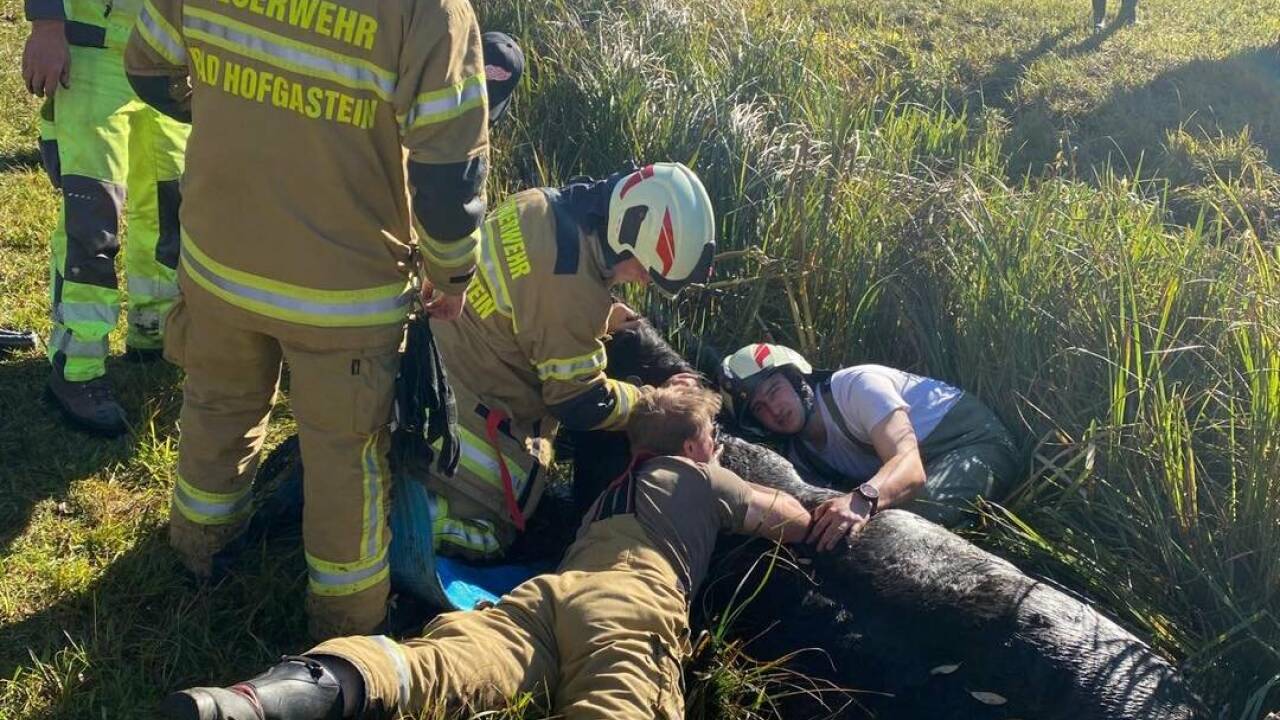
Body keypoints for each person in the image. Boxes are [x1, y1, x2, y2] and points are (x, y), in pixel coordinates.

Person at [124, 0, 491, 638]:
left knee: (217, 405)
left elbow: (148, 66)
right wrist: (452, 273)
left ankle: (197, 554)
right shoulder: (431, 12)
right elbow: (447, 168)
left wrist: (228, 115)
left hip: (220, 257)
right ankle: (345, 629)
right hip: (344, 298)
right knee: (346, 455)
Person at [159, 384, 815, 720]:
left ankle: (267, 698)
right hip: (631, 610)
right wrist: (748, 480)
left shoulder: (610, 495)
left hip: (546, 599)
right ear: (697, 445)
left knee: (435, 666)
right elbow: (789, 517)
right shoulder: (699, 475)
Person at [400, 162, 715, 575]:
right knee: (499, 534)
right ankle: (423, 520)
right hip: (464, 418)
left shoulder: (539, 205)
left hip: (426, 367)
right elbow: (578, 401)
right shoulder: (575, 293)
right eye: (642, 269)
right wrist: (649, 400)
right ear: (625, 233)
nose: (639, 282)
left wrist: (598, 318)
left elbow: (533, 300)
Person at [22, 0, 189, 436]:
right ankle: (77, 368)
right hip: (91, 50)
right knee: (92, 220)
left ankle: (153, 331)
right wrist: (48, 24)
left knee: (169, 206)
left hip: (170, 58)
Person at [719, 343, 1019, 538]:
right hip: (918, 473)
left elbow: (909, 466)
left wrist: (861, 500)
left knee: (912, 522)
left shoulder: (856, 386)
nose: (774, 410)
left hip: (975, 445)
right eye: (759, 408)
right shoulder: (800, 455)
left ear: (796, 378)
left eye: (774, 391)